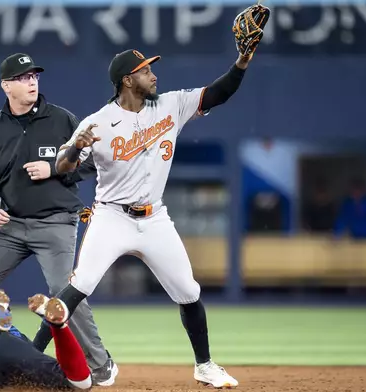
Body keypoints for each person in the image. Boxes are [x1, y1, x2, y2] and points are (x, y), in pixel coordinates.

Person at [48, 4, 270, 387]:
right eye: (146, 71)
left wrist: (243, 60)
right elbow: (62, 169)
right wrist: (72, 150)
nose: (154, 75)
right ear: (126, 81)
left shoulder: (170, 104)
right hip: (112, 217)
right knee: (79, 286)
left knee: (188, 291)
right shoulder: (97, 122)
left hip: (154, 219)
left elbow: (218, 93)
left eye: (151, 68)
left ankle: (204, 366)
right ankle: (37, 358)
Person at [0, 52, 116, 385]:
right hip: (12, 226)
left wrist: (56, 168)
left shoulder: (61, 120)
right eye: (22, 77)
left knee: (64, 291)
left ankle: (101, 364)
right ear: (6, 86)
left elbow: (94, 162)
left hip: (56, 222)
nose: (31, 82)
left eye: (34, 76)